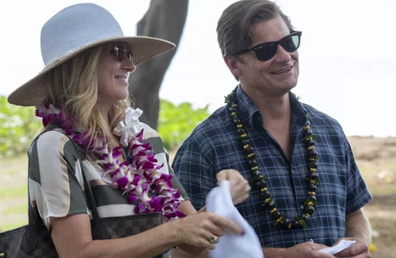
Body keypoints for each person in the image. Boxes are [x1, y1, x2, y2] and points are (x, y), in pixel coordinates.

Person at [7, 3, 250, 258]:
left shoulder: (147, 139)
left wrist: (222, 200)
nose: (130, 66)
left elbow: (193, 242)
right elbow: (77, 253)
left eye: (129, 54)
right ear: (80, 63)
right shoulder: (55, 146)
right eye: (117, 52)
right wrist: (175, 232)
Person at [172, 0, 373, 257]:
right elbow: (186, 251)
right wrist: (283, 256)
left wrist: (357, 244)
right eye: (266, 50)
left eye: (289, 42)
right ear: (233, 64)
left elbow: (354, 212)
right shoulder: (204, 146)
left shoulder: (329, 131)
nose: (284, 56)